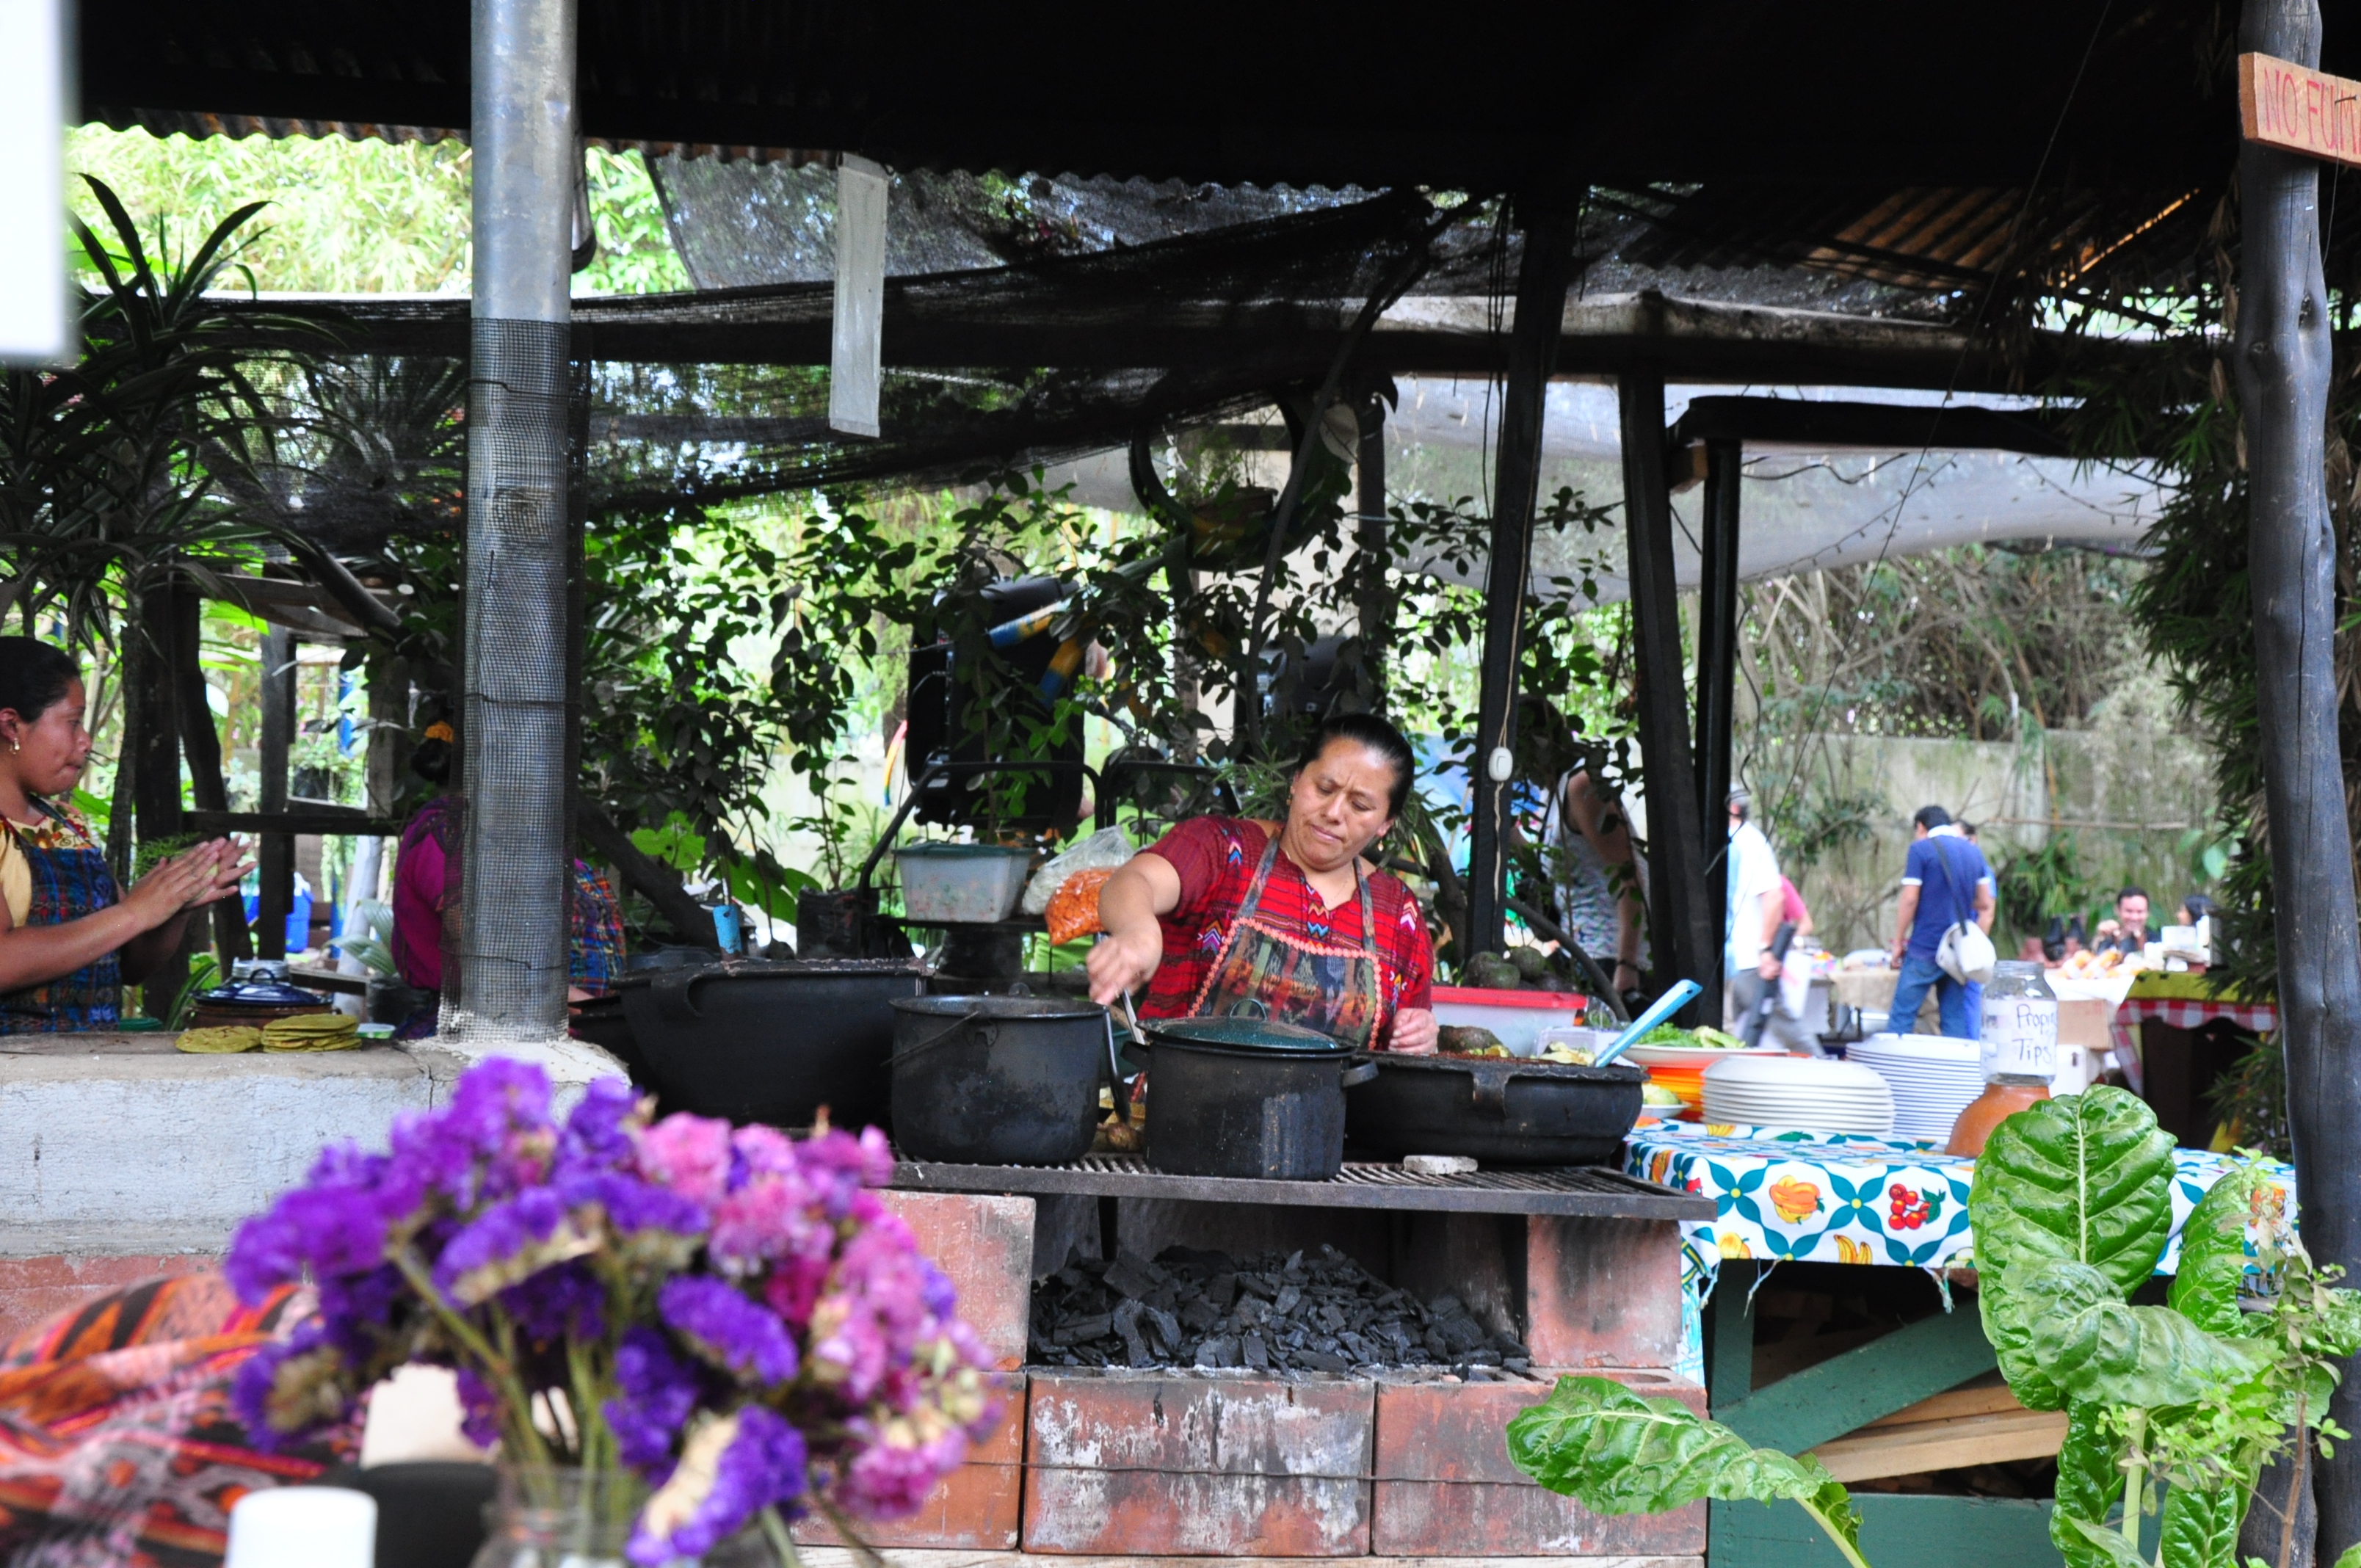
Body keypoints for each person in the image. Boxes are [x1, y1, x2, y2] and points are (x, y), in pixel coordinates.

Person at [1087, 711, 1438, 1053]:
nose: (1333, 813)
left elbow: (1406, 1048)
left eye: (1359, 806)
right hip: (1183, 1090)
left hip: (1331, 1098)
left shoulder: (1399, 915)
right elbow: (1134, 881)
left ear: (1385, 823)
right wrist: (1138, 931)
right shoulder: (1225, 850)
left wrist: (1418, 1037)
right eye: (1323, 788)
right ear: (1296, 780)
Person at [0, 637, 249, 1032]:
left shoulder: (65, 826)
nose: (86, 741)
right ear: (12, 724)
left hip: (92, 1063)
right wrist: (133, 913)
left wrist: (176, 902)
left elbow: (129, 964)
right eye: (73, 722)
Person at [390, 717, 627, 1035]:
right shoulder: (447, 835)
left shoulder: (519, 831)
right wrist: (596, 1013)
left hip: (568, 1023)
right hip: (480, 1028)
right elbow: (486, 954)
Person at [1887, 805, 1996, 1039]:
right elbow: (1985, 903)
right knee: (1954, 1019)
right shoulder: (1973, 853)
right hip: (1957, 951)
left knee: (1902, 1016)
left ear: (1921, 827)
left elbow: (1909, 900)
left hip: (1926, 947)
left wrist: (1898, 940)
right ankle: (1957, 1063)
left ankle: (1892, 1063)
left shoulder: (1920, 850)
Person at [1555, 766, 1647, 1001]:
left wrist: (1627, 964)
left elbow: (1629, 876)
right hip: (1579, 952)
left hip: (1608, 958)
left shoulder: (1581, 786)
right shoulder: (1554, 791)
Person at [1723, 790, 1785, 1029]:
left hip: (1748, 960)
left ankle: (1815, 1054)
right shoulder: (1729, 840)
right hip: (1732, 961)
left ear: (1734, 809)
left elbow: (1775, 897)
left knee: (1781, 1028)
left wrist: (1765, 949)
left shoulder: (1749, 841)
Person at [2092, 886, 2153, 955]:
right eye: (2129, 911)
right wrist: (2099, 936)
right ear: (2117, 910)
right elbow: (2093, 957)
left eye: (2140, 912)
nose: (2134, 917)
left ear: (2148, 912)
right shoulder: (2109, 938)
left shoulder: (2156, 941)